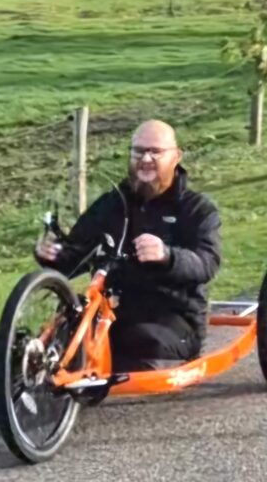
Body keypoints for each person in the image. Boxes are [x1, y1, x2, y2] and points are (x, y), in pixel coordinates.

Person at [34, 120, 222, 372]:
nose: (145, 159)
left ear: (176, 157)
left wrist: (168, 256)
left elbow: (206, 262)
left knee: (141, 343)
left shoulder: (197, 209)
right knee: (29, 345)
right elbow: (75, 255)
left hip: (173, 317)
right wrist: (51, 255)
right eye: (138, 151)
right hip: (111, 313)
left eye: (155, 152)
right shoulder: (112, 204)